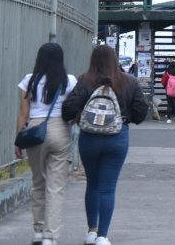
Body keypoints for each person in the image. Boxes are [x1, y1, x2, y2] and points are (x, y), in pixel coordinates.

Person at [62, 45, 149, 245]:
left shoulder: (85, 79)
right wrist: (127, 117)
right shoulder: (129, 81)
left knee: (92, 184)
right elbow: (140, 112)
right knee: (108, 188)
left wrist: (78, 115)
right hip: (117, 138)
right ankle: (103, 236)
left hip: (89, 138)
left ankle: (91, 231)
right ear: (115, 60)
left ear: (93, 60)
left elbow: (68, 108)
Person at [16, 43, 77, 245]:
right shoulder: (69, 81)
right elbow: (74, 108)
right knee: (55, 186)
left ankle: (38, 230)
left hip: (35, 130)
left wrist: (18, 140)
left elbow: (23, 114)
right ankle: (50, 236)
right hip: (60, 129)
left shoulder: (29, 80)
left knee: (38, 182)